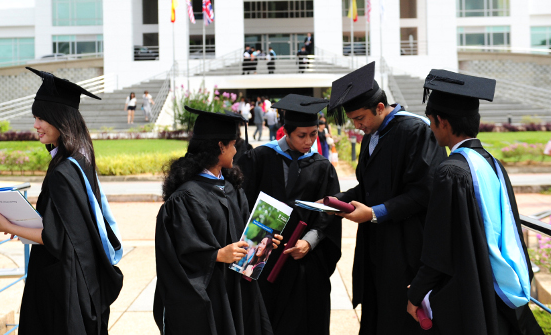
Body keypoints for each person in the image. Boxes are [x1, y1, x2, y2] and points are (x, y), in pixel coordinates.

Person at [407, 70, 543, 334]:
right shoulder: (493, 164)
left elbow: (439, 250)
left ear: (442, 122)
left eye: (431, 122)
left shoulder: (450, 172)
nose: (431, 129)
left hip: (470, 293)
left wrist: (416, 293)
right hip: (499, 291)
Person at [0, 67, 124, 334]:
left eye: (41, 118)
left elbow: (55, 237)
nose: (36, 125)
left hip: (62, 286)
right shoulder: (80, 162)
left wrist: (9, 227)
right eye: (35, 117)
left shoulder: (63, 171)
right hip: (83, 278)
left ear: (60, 120)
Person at [324, 61, 447, 334]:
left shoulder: (417, 131)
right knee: (377, 310)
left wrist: (374, 212)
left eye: (360, 119)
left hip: (406, 245)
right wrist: (338, 200)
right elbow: (368, 187)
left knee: (399, 318)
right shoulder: (372, 135)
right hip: (376, 245)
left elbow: (425, 192)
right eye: (354, 120)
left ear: (380, 108)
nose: (357, 126)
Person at [154, 106, 281, 335]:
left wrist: (265, 239)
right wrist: (217, 255)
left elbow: (244, 237)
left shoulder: (231, 188)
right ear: (220, 146)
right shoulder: (185, 198)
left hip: (238, 291)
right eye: (233, 144)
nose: (235, 150)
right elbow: (176, 257)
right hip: (212, 297)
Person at [237, 94, 342, 334]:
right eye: (302, 135)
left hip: (303, 261)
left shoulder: (321, 166)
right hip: (263, 258)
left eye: (313, 134)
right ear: (286, 131)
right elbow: (242, 203)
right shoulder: (260, 158)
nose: (309, 142)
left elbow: (328, 214)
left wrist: (309, 242)